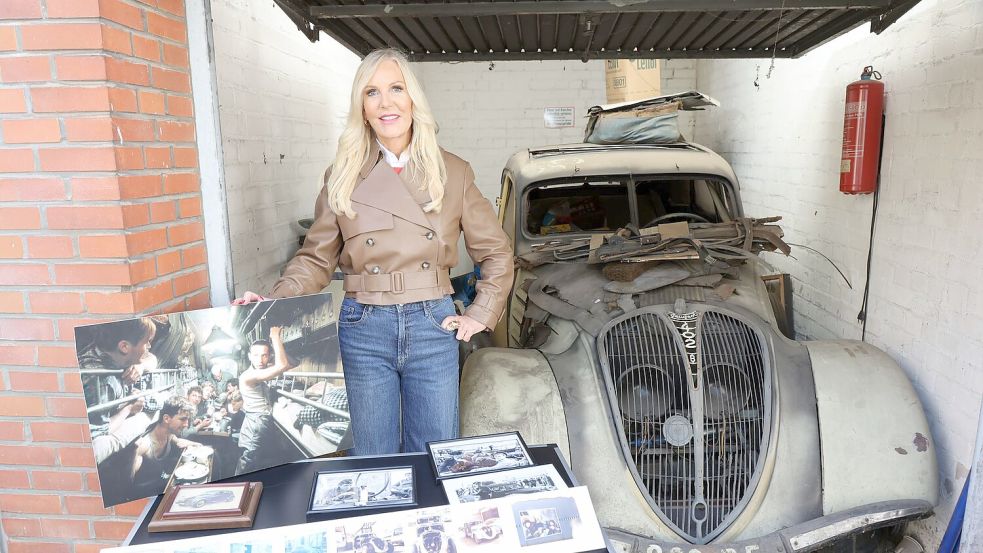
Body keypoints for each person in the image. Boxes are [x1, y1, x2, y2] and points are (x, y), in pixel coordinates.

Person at [233, 48, 513, 456]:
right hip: (363, 324)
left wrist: (480, 313)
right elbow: (315, 258)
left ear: (413, 98)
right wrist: (274, 300)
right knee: (374, 457)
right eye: (372, 93)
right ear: (361, 108)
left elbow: (498, 253)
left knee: (435, 454)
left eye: (396, 88)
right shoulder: (343, 173)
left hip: (433, 321)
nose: (386, 103)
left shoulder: (453, 171)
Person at [79, 317, 156, 464]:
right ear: (124, 347)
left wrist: (141, 366)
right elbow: (99, 434)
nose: (149, 347)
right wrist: (129, 408)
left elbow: (152, 358)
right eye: (147, 342)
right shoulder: (104, 381)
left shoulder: (101, 350)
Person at [236, 329, 296, 474]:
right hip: (257, 420)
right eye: (256, 355)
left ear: (269, 356)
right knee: (249, 459)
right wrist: (275, 337)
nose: (260, 360)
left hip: (261, 419)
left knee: (261, 459)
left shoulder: (263, 369)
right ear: (250, 356)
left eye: (264, 355)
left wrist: (277, 351)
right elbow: (282, 366)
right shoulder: (248, 376)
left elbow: (291, 363)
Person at [130, 396, 200, 495]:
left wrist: (198, 445)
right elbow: (128, 484)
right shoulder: (144, 446)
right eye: (183, 419)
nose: (186, 425)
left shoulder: (169, 434)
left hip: (161, 485)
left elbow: (180, 441)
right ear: (166, 418)